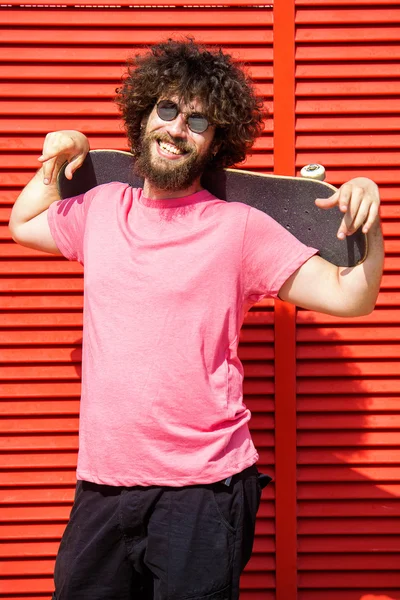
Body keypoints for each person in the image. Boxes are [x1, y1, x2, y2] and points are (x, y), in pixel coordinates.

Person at [9, 39, 384, 600]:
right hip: (103, 486)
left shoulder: (240, 229)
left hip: (204, 490)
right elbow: (23, 223)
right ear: (143, 115)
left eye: (199, 119)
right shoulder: (100, 210)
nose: (177, 128)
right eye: (167, 109)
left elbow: (351, 297)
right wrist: (63, 155)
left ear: (215, 142)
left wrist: (366, 220)